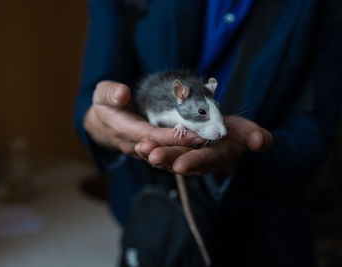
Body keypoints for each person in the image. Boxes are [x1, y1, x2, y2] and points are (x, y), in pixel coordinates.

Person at [74, 0, 342, 266]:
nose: (221, 131)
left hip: (264, 234)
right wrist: (100, 121)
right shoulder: (171, 103)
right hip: (149, 220)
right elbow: (93, 91)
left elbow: (314, 131)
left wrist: (242, 161)